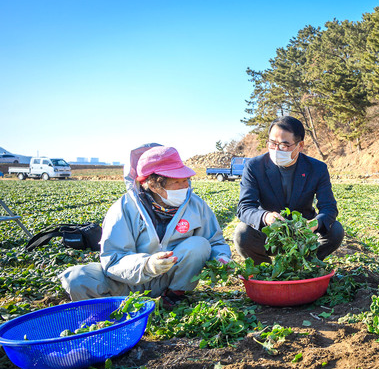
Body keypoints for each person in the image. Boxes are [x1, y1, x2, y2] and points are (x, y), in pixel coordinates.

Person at [59, 144, 231, 306]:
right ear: (153, 184)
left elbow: (214, 241)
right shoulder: (124, 208)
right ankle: (112, 310)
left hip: (170, 279)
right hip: (128, 282)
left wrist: (221, 258)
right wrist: (147, 265)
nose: (185, 186)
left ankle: (174, 296)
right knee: (78, 278)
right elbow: (113, 259)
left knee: (198, 244)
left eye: (185, 180)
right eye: (177, 182)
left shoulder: (196, 205)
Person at [234, 116, 344, 264]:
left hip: (303, 233)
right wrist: (265, 217)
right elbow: (244, 207)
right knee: (242, 233)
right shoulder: (254, 166)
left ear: (300, 146)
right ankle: (265, 269)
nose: (277, 149)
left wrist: (313, 224)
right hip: (268, 234)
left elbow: (329, 208)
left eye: (284, 145)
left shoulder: (317, 168)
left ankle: (306, 263)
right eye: (272, 143)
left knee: (335, 230)